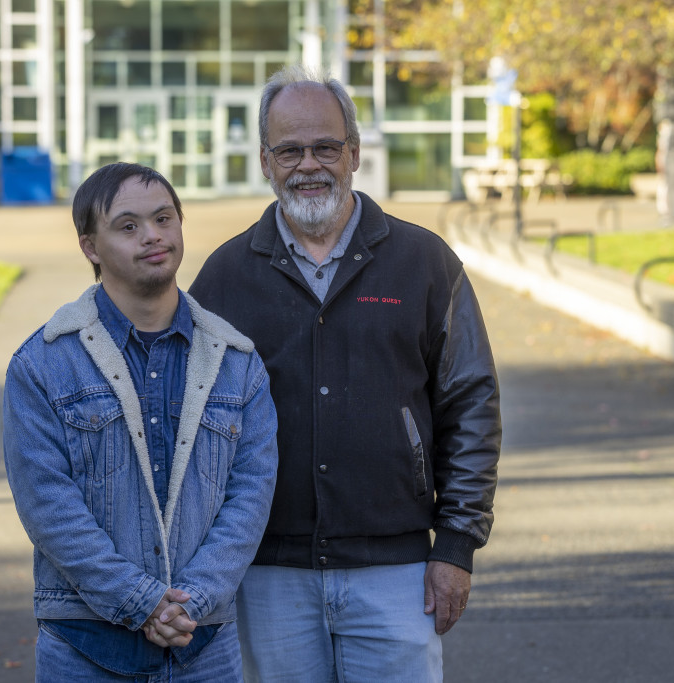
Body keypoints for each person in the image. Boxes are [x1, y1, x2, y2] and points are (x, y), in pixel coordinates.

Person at [189, 65, 502, 682]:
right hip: (269, 574)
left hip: (398, 572)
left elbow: (471, 405)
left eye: (326, 147)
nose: (309, 164)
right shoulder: (224, 278)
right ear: (265, 161)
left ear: (354, 153)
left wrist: (457, 547)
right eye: (289, 150)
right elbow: (190, 425)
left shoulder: (425, 263)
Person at [3, 162, 278, 682]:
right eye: (128, 226)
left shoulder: (236, 362)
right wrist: (143, 603)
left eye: (164, 218)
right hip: (84, 647)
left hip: (203, 649)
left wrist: (191, 600)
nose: (153, 236)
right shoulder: (43, 365)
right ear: (90, 246)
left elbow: (251, 493)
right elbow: (47, 504)